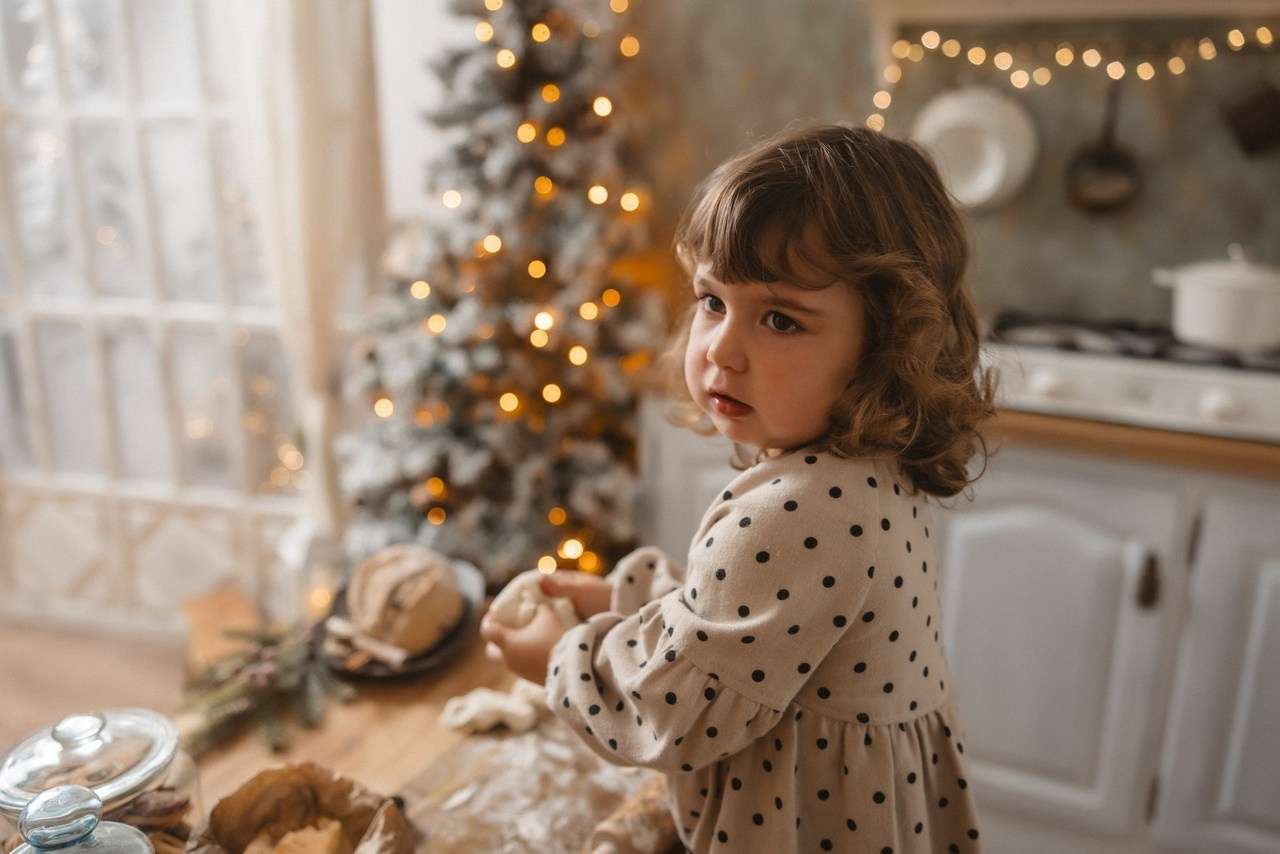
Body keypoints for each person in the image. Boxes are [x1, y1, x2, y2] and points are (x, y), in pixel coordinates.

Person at [480, 124, 996, 853]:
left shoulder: (799, 510)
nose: (721, 348)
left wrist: (559, 658)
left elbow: (672, 716)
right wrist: (626, 599)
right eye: (712, 301)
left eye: (780, 319)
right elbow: (761, 634)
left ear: (887, 344)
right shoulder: (865, 469)